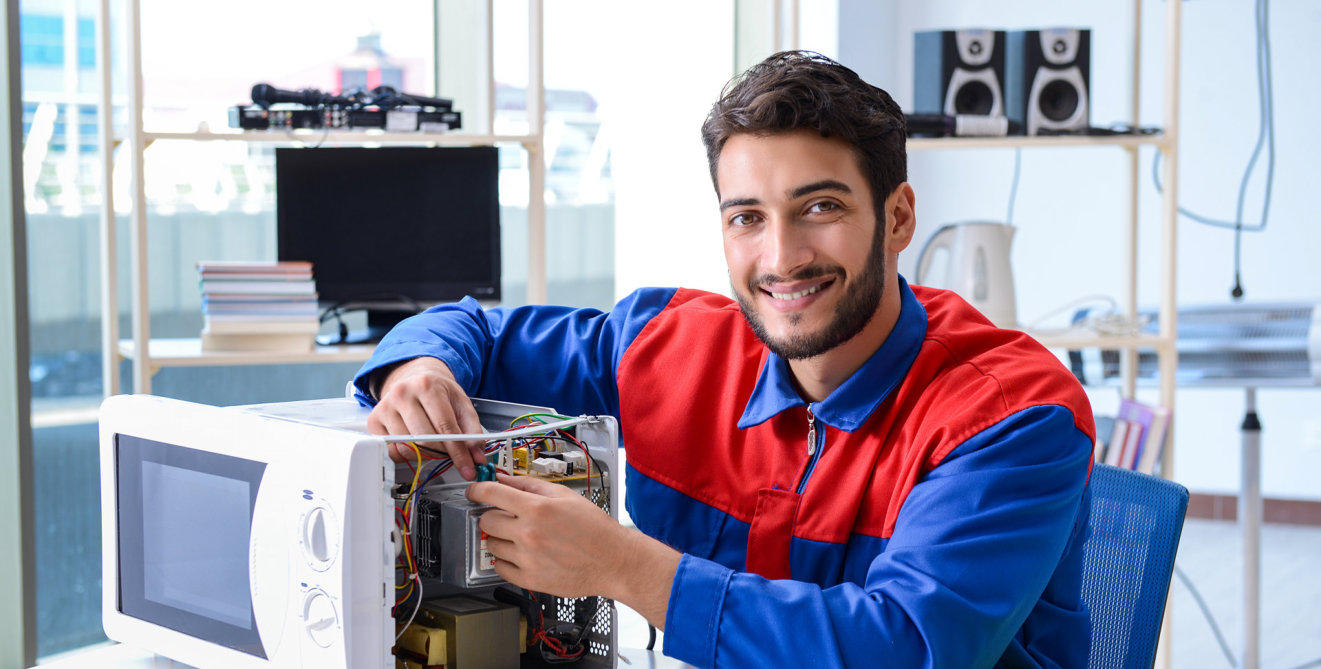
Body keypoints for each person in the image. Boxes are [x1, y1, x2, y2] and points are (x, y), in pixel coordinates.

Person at [353, 51, 1095, 669]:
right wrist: (416, 368)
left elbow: (903, 646)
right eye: (747, 217)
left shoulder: (1013, 415)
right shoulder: (666, 345)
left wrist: (620, 564)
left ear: (896, 217)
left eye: (820, 207)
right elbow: (467, 329)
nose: (781, 257)